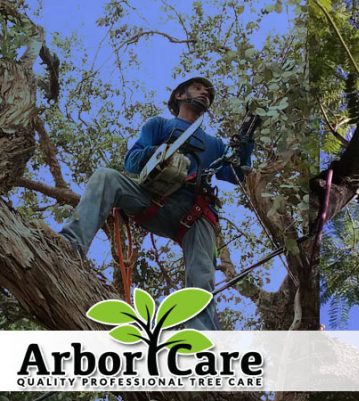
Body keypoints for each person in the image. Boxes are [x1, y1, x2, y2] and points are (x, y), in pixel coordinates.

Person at [59, 77, 254, 330]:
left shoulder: (214, 144)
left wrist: (247, 140)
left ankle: (201, 338)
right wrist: (160, 153)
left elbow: (236, 174)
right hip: (153, 199)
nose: (204, 93)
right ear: (179, 96)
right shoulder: (160, 125)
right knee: (106, 177)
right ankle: (70, 245)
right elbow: (132, 162)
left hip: (196, 214)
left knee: (202, 277)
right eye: (198, 88)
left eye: (208, 92)